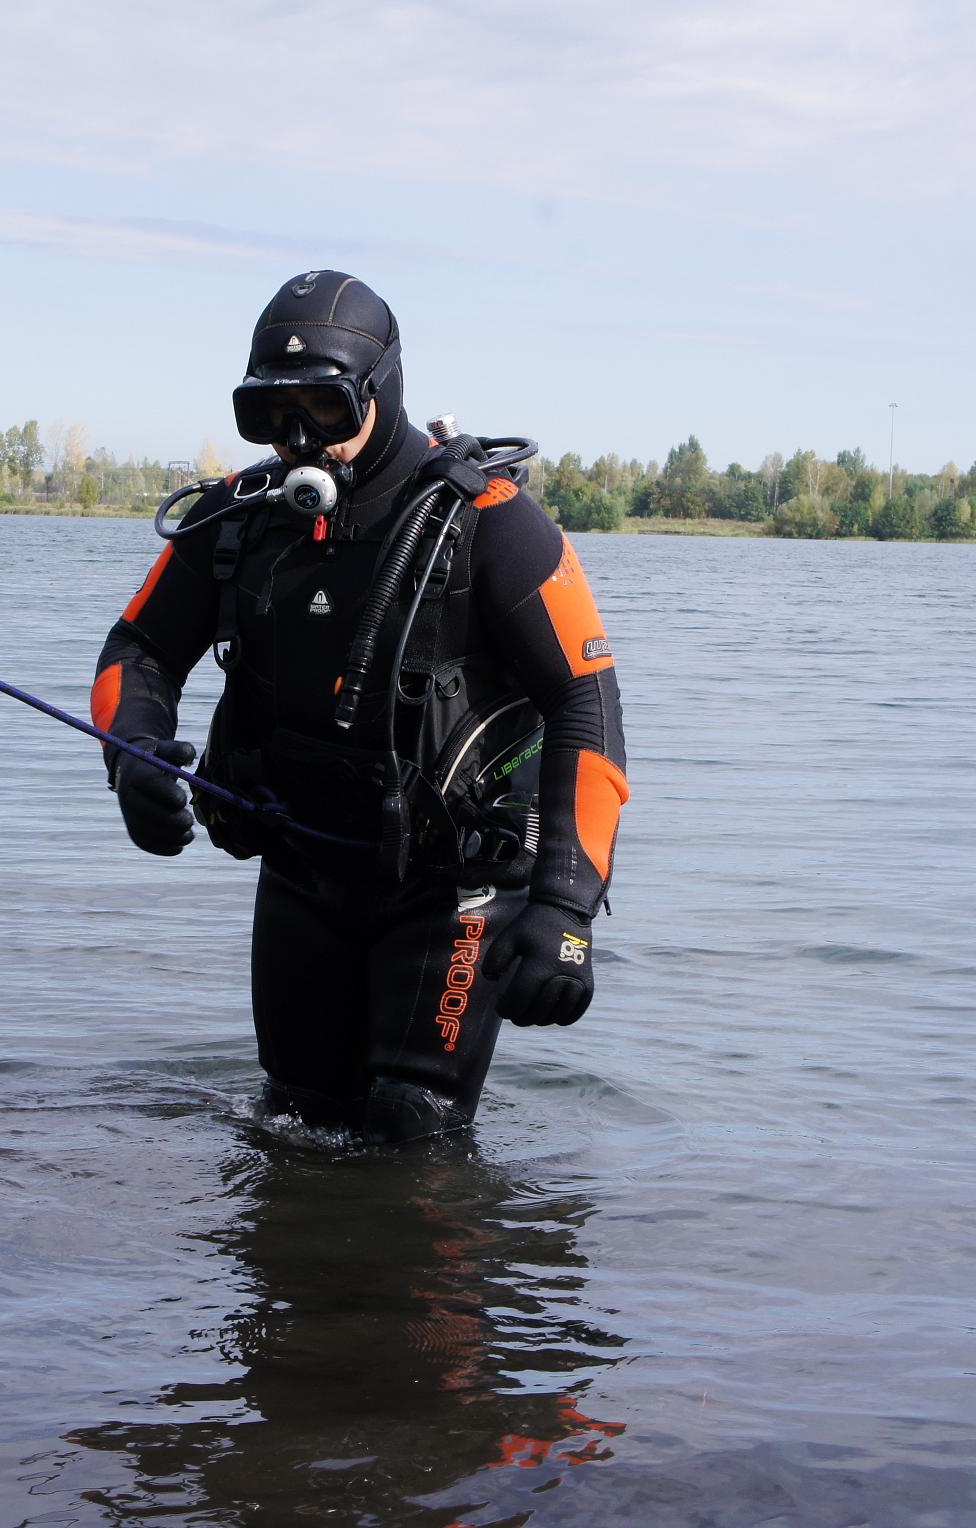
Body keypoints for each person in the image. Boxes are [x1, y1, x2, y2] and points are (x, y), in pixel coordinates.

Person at [91, 270, 627, 1143]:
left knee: (413, 1134)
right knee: (290, 1129)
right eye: (270, 415)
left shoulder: (491, 521)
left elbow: (586, 701)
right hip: (304, 867)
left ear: (383, 390)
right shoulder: (240, 519)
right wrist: (134, 757)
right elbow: (139, 650)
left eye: (327, 411)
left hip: (454, 889)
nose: (299, 440)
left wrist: (565, 911)